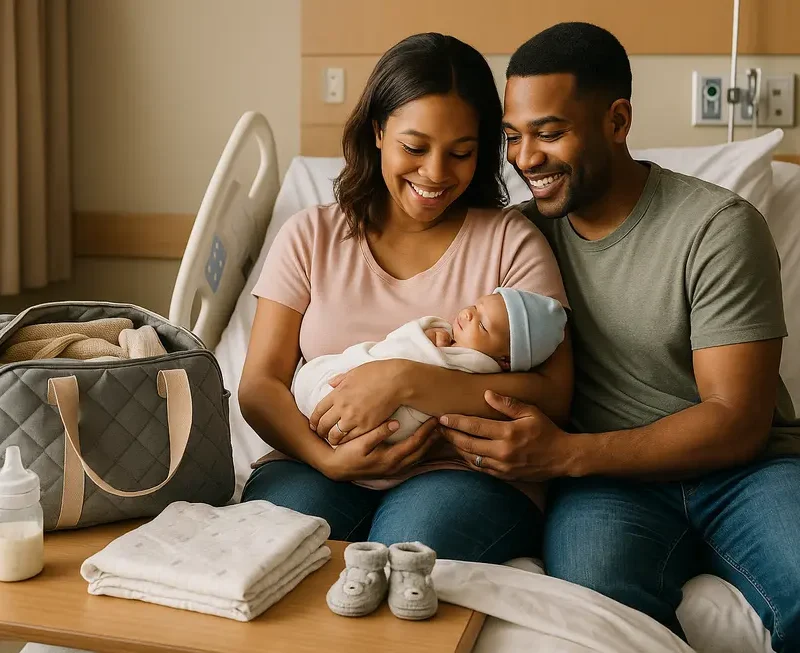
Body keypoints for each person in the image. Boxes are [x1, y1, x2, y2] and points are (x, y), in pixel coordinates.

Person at [436, 21, 800, 650]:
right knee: (601, 624)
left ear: (618, 120)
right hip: (609, 493)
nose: (526, 159)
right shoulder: (519, 240)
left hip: (748, 473)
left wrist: (565, 455)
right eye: (513, 137)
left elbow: (737, 421)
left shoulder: (716, 228)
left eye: (550, 134)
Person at [238, 32, 572, 564]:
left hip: (462, 470)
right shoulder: (311, 237)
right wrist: (326, 461)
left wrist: (409, 378)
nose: (436, 174)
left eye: (461, 153)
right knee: (267, 550)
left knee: (404, 560)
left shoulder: (511, 241)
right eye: (414, 148)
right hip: (315, 462)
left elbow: (553, 395)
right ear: (377, 131)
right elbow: (259, 385)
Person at [292, 288, 567, 444]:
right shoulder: (446, 337)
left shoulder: (479, 368)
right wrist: (432, 333)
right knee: (319, 377)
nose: (469, 314)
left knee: (319, 385)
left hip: (399, 424)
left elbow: (418, 360)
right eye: (475, 306)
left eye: (481, 325)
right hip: (356, 382)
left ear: (505, 361)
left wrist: (424, 346)